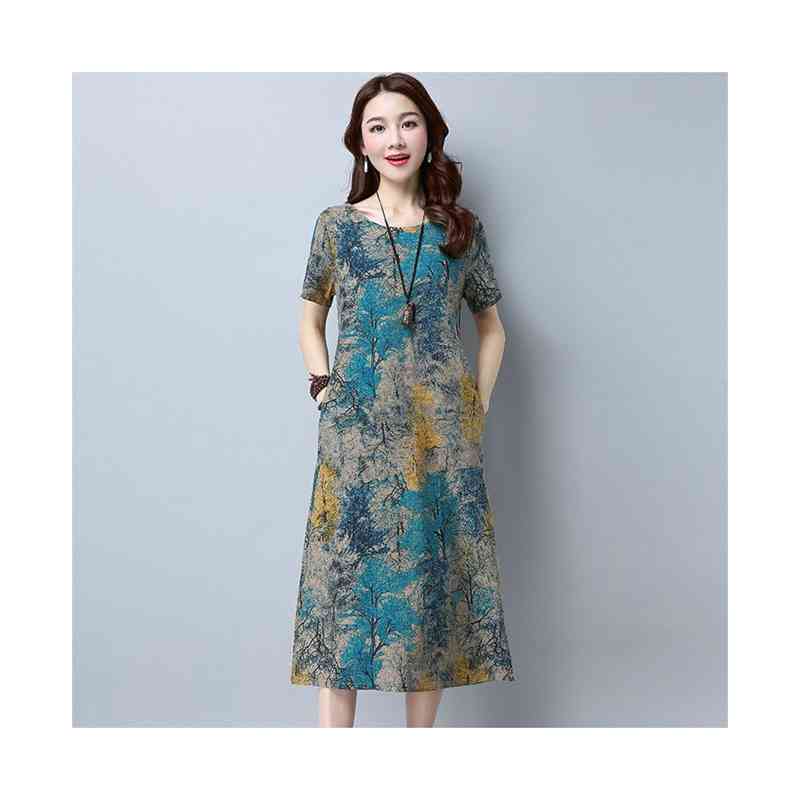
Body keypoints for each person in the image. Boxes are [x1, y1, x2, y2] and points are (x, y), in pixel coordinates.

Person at [290, 73, 515, 727]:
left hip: (440, 440)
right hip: (356, 439)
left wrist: (476, 406)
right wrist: (324, 388)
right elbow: (309, 319)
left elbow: (493, 329)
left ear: (429, 134)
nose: (395, 138)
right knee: (344, 597)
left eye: (408, 122)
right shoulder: (337, 227)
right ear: (360, 143)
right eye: (378, 126)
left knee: (431, 591)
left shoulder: (460, 230)